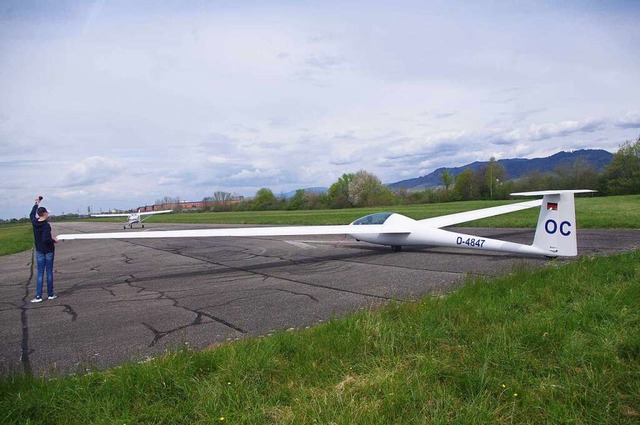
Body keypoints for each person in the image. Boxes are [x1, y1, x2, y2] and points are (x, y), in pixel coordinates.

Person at [30, 196, 58, 303]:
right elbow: (46, 239)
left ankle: (38, 296)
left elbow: (31, 214)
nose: (48, 214)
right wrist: (54, 240)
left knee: (40, 273)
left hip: (39, 251)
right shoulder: (46, 225)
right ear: (45, 213)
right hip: (48, 250)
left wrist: (36, 203)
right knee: (49, 272)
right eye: (47, 213)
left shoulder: (34, 222)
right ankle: (50, 294)